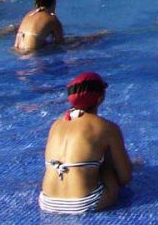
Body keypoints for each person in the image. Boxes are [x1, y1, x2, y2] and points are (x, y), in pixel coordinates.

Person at [39, 72, 132, 214]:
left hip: (47, 202)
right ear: (100, 99)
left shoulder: (56, 124)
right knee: (108, 165)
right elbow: (125, 178)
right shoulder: (107, 127)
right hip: (84, 203)